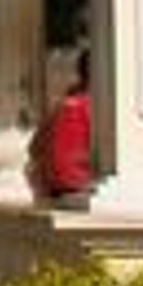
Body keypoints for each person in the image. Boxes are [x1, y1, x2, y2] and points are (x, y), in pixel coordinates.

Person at [32, 63, 94, 201]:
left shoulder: (62, 106)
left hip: (54, 189)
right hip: (75, 187)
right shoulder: (84, 107)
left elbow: (34, 147)